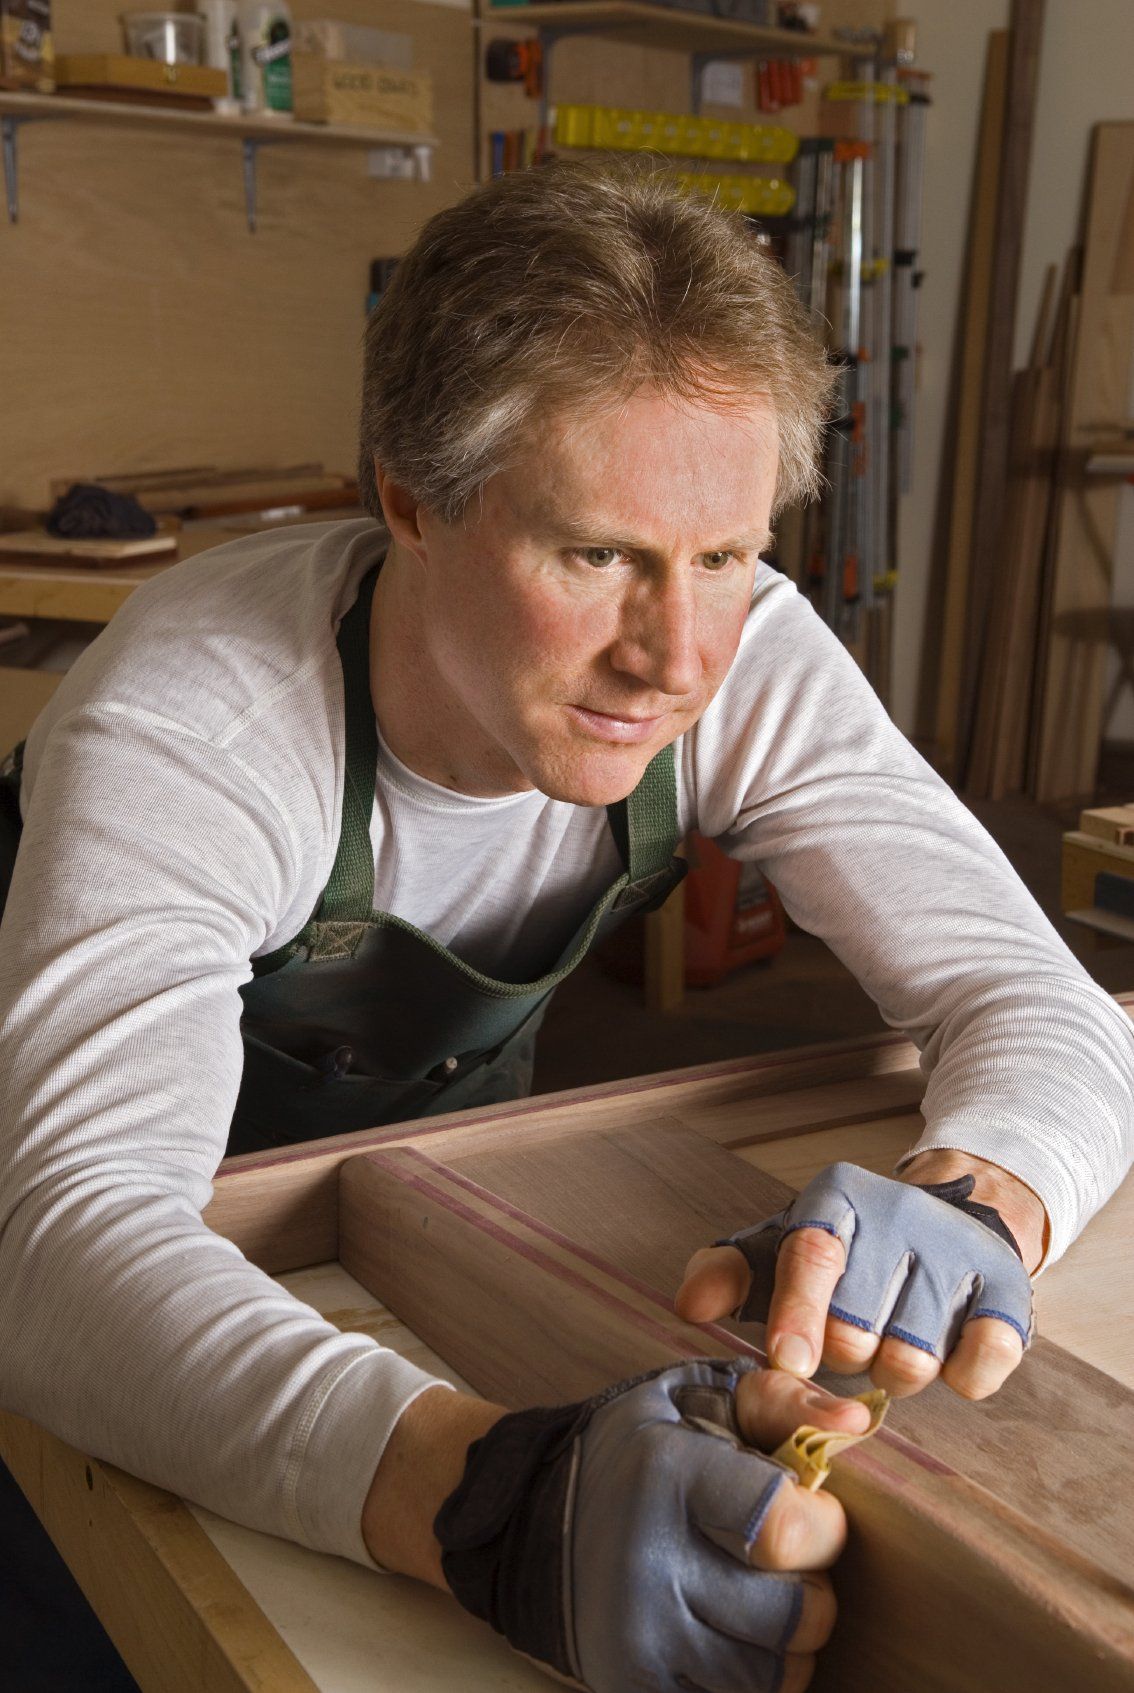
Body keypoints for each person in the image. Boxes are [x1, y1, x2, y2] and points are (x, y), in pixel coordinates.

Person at [0, 158, 1130, 1692]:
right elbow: (67, 1238)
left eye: (724, 557)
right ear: (411, 496)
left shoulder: (741, 658)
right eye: (595, 555)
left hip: (383, 1211)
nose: (676, 657)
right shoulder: (200, 719)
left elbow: (1038, 998)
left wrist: (979, 1193)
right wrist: (483, 1500)